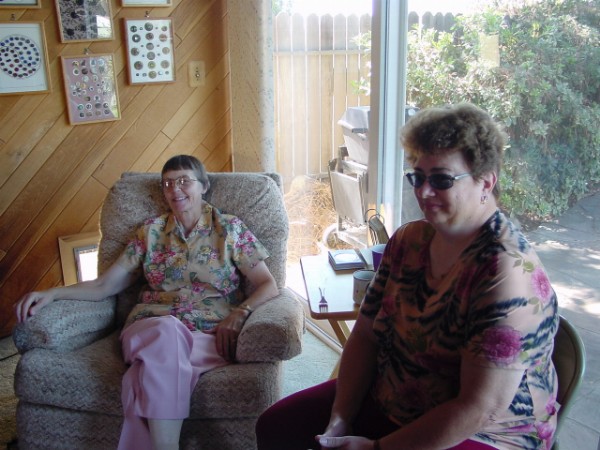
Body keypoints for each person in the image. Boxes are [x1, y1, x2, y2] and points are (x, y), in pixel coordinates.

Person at [256, 103, 559, 450]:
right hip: (394, 397)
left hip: (484, 432)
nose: (423, 192)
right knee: (276, 426)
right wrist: (340, 419)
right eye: (417, 177)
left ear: (486, 182)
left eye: (441, 179)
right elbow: (366, 335)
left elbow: (479, 408)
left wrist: (376, 448)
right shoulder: (409, 240)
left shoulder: (506, 274)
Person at [15, 154, 280, 450]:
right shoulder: (150, 232)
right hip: (149, 328)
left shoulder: (229, 229)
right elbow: (104, 286)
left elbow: (268, 284)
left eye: (184, 181)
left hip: (208, 334)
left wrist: (241, 312)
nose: (175, 189)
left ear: (204, 186)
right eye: (167, 183)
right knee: (167, 331)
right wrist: (53, 293)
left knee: (140, 380)